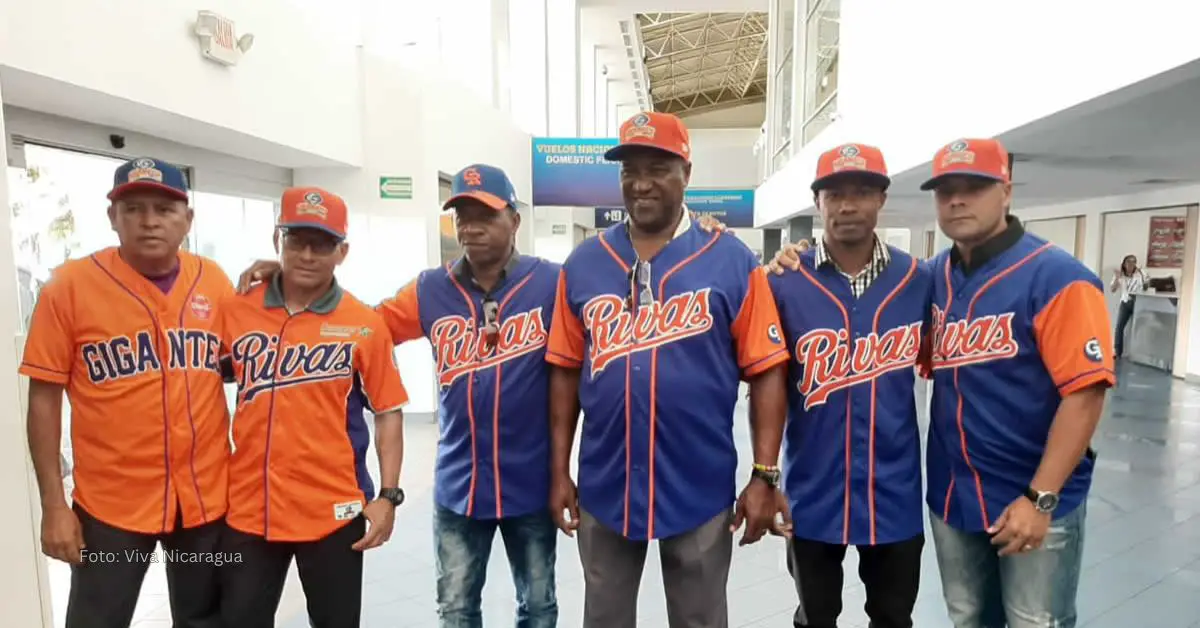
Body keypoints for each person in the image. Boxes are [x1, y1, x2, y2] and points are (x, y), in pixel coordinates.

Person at [545, 111, 792, 628]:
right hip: (606, 482)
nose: (640, 183)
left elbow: (767, 370)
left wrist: (764, 474)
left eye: (658, 168)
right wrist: (558, 470)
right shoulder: (584, 263)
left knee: (699, 619)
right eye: (629, 170)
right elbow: (566, 370)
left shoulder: (731, 260)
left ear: (687, 172)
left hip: (698, 482)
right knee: (604, 619)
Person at [21, 157, 230, 628]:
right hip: (110, 506)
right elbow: (44, 398)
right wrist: (54, 505)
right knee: (97, 620)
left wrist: (273, 281)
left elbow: (246, 356)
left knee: (206, 620)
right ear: (112, 217)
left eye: (164, 208)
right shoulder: (68, 287)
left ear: (187, 221)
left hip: (203, 499)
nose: (150, 220)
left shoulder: (213, 280)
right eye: (133, 208)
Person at [920, 138, 1113, 627]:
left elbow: (1085, 395)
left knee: (1035, 621)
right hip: (953, 494)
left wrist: (1040, 497)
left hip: (1031, 495)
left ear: (1006, 191)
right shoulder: (930, 278)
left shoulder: (1060, 278)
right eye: (945, 191)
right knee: (968, 618)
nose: (957, 200)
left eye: (974, 187)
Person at [375, 164, 562, 628]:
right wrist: (293, 284)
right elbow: (364, 327)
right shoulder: (430, 288)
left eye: (485, 215)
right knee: (456, 610)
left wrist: (692, 232)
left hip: (531, 483)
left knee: (538, 606)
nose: (470, 228)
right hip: (460, 484)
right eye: (462, 215)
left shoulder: (551, 283)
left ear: (514, 221)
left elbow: (625, 300)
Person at [217, 187, 408, 628]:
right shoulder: (235, 310)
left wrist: (389, 496)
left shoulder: (363, 324)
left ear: (342, 251)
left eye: (321, 244)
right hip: (249, 509)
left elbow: (388, 412)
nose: (306, 254)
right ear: (276, 241)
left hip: (333, 510)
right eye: (295, 240)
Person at [764, 143, 931, 628]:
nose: (847, 205)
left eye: (861, 192)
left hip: (894, 489)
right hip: (813, 489)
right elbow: (765, 382)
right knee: (815, 616)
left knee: (893, 616)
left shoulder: (918, 280)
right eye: (834, 193)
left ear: (881, 198)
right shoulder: (783, 283)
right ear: (818, 202)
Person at [1109, 254, 1145, 358]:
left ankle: (1137, 354)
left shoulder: (1139, 274)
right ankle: (1117, 352)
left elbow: (1145, 287)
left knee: (1138, 328)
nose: (1131, 264)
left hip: (1138, 303)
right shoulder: (1120, 275)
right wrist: (1116, 277)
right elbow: (1112, 289)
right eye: (1129, 262)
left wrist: (1143, 276)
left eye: (1133, 262)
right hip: (1125, 302)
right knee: (1119, 327)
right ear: (1124, 264)